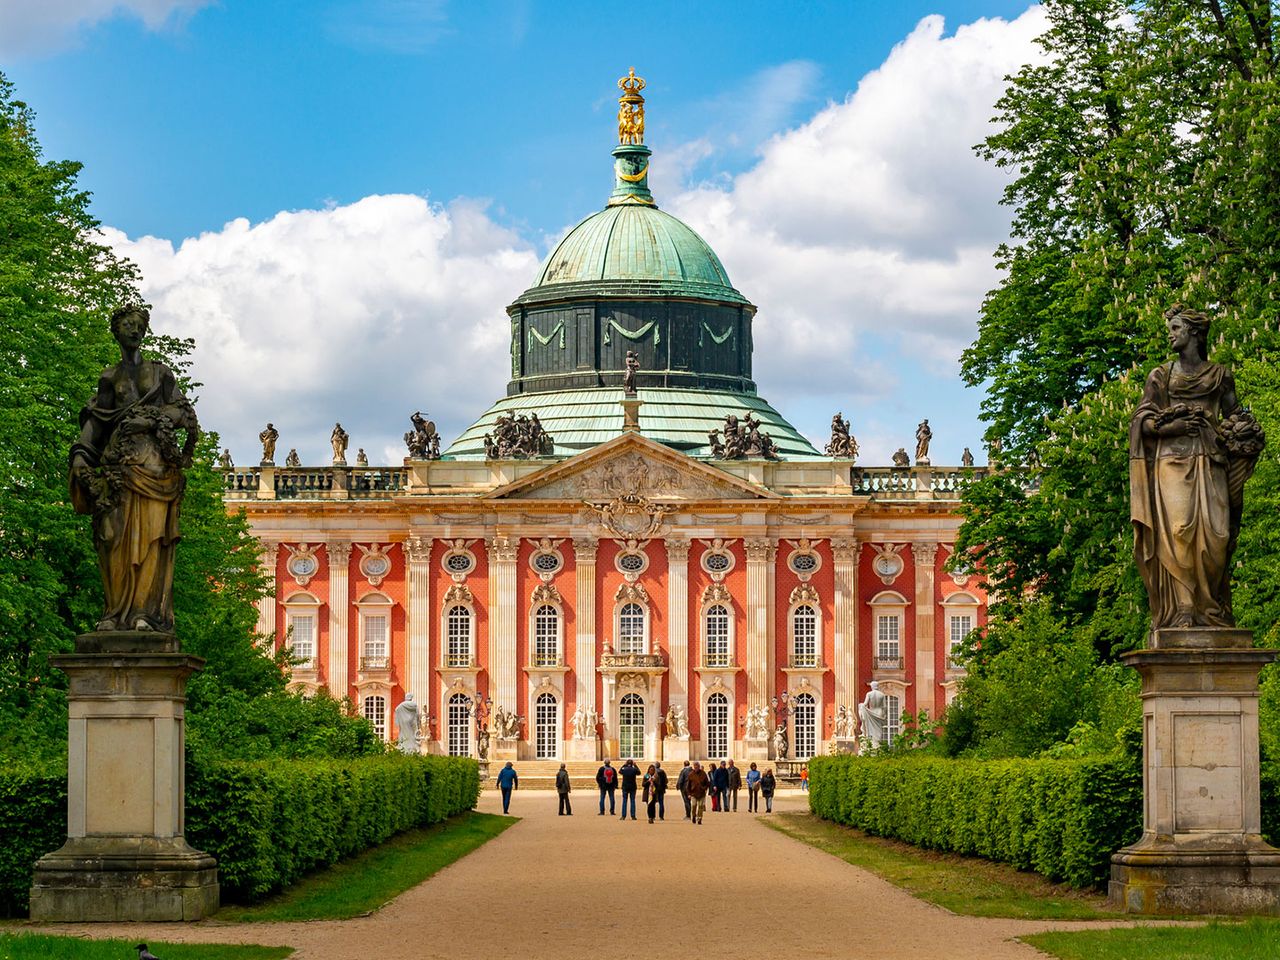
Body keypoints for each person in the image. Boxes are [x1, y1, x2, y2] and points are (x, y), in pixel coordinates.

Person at [1130, 304, 1263, 629]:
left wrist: (1247, 432)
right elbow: (1142, 420)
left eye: (1176, 329)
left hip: (1212, 458)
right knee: (1178, 532)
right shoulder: (1161, 376)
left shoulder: (1220, 375)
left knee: (1218, 535)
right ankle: (1184, 609)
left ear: (1193, 332)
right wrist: (1168, 428)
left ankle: (1210, 608)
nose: (1170, 335)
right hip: (1172, 462)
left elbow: (1235, 415)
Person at [70, 305, 199, 633]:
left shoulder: (160, 374)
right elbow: (97, 424)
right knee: (113, 540)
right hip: (118, 469)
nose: (134, 330)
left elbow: (182, 413)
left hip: (155, 470)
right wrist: (80, 456)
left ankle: (144, 613)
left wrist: (150, 420)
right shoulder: (109, 378)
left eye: (139, 325)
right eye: (128, 324)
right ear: (116, 331)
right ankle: (114, 613)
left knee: (152, 540)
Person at [686, 761, 710, 825]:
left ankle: (699, 818)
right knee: (693, 805)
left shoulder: (703, 773)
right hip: (693, 793)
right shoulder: (691, 774)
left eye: (697, 766)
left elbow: (707, 783)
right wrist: (688, 794)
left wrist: (704, 788)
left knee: (700, 806)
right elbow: (688, 785)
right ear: (694, 767)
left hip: (701, 793)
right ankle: (694, 815)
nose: (696, 767)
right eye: (695, 766)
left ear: (699, 766)